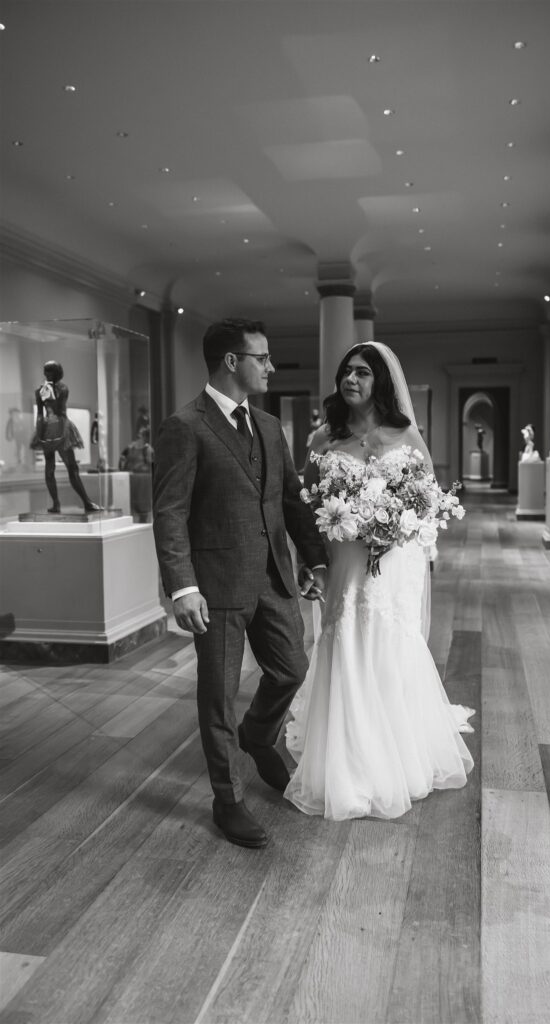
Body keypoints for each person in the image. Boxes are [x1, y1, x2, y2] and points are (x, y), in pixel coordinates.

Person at [152, 318, 328, 849]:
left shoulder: (271, 428)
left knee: (292, 668)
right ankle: (226, 799)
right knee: (218, 696)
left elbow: (291, 501)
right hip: (218, 585)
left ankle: (259, 734)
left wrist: (313, 560)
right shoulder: (185, 426)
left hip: (273, 577)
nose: (271, 366)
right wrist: (183, 587)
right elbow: (170, 512)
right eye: (262, 357)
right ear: (233, 362)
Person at [284, 341, 474, 821]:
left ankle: (394, 747)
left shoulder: (405, 433)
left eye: (362, 373)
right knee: (345, 636)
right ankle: (347, 754)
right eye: (347, 372)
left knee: (387, 639)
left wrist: (395, 527)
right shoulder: (323, 438)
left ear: (380, 383)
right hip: (344, 558)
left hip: (391, 563)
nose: (351, 379)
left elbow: (428, 497)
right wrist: (314, 559)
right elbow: (305, 504)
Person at [29, 360, 103, 514]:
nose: (48, 374)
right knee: (49, 469)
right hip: (47, 428)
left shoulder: (62, 388)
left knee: (72, 468)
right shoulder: (41, 390)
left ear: (57, 373)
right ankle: (56, 504)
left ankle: (87, 502)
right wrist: (39, 431)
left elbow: (58, 407)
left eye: (51, 372)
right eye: (46, 371)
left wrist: (48, 392)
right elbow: (41, 413)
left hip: (62, 427)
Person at [119, 426, 154, 522]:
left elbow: (151, 463)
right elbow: (122, 460)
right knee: (134, 506)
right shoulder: (131, 448)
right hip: (134, 479)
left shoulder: (146, 449)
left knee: (142, 507)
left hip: (142, 480)